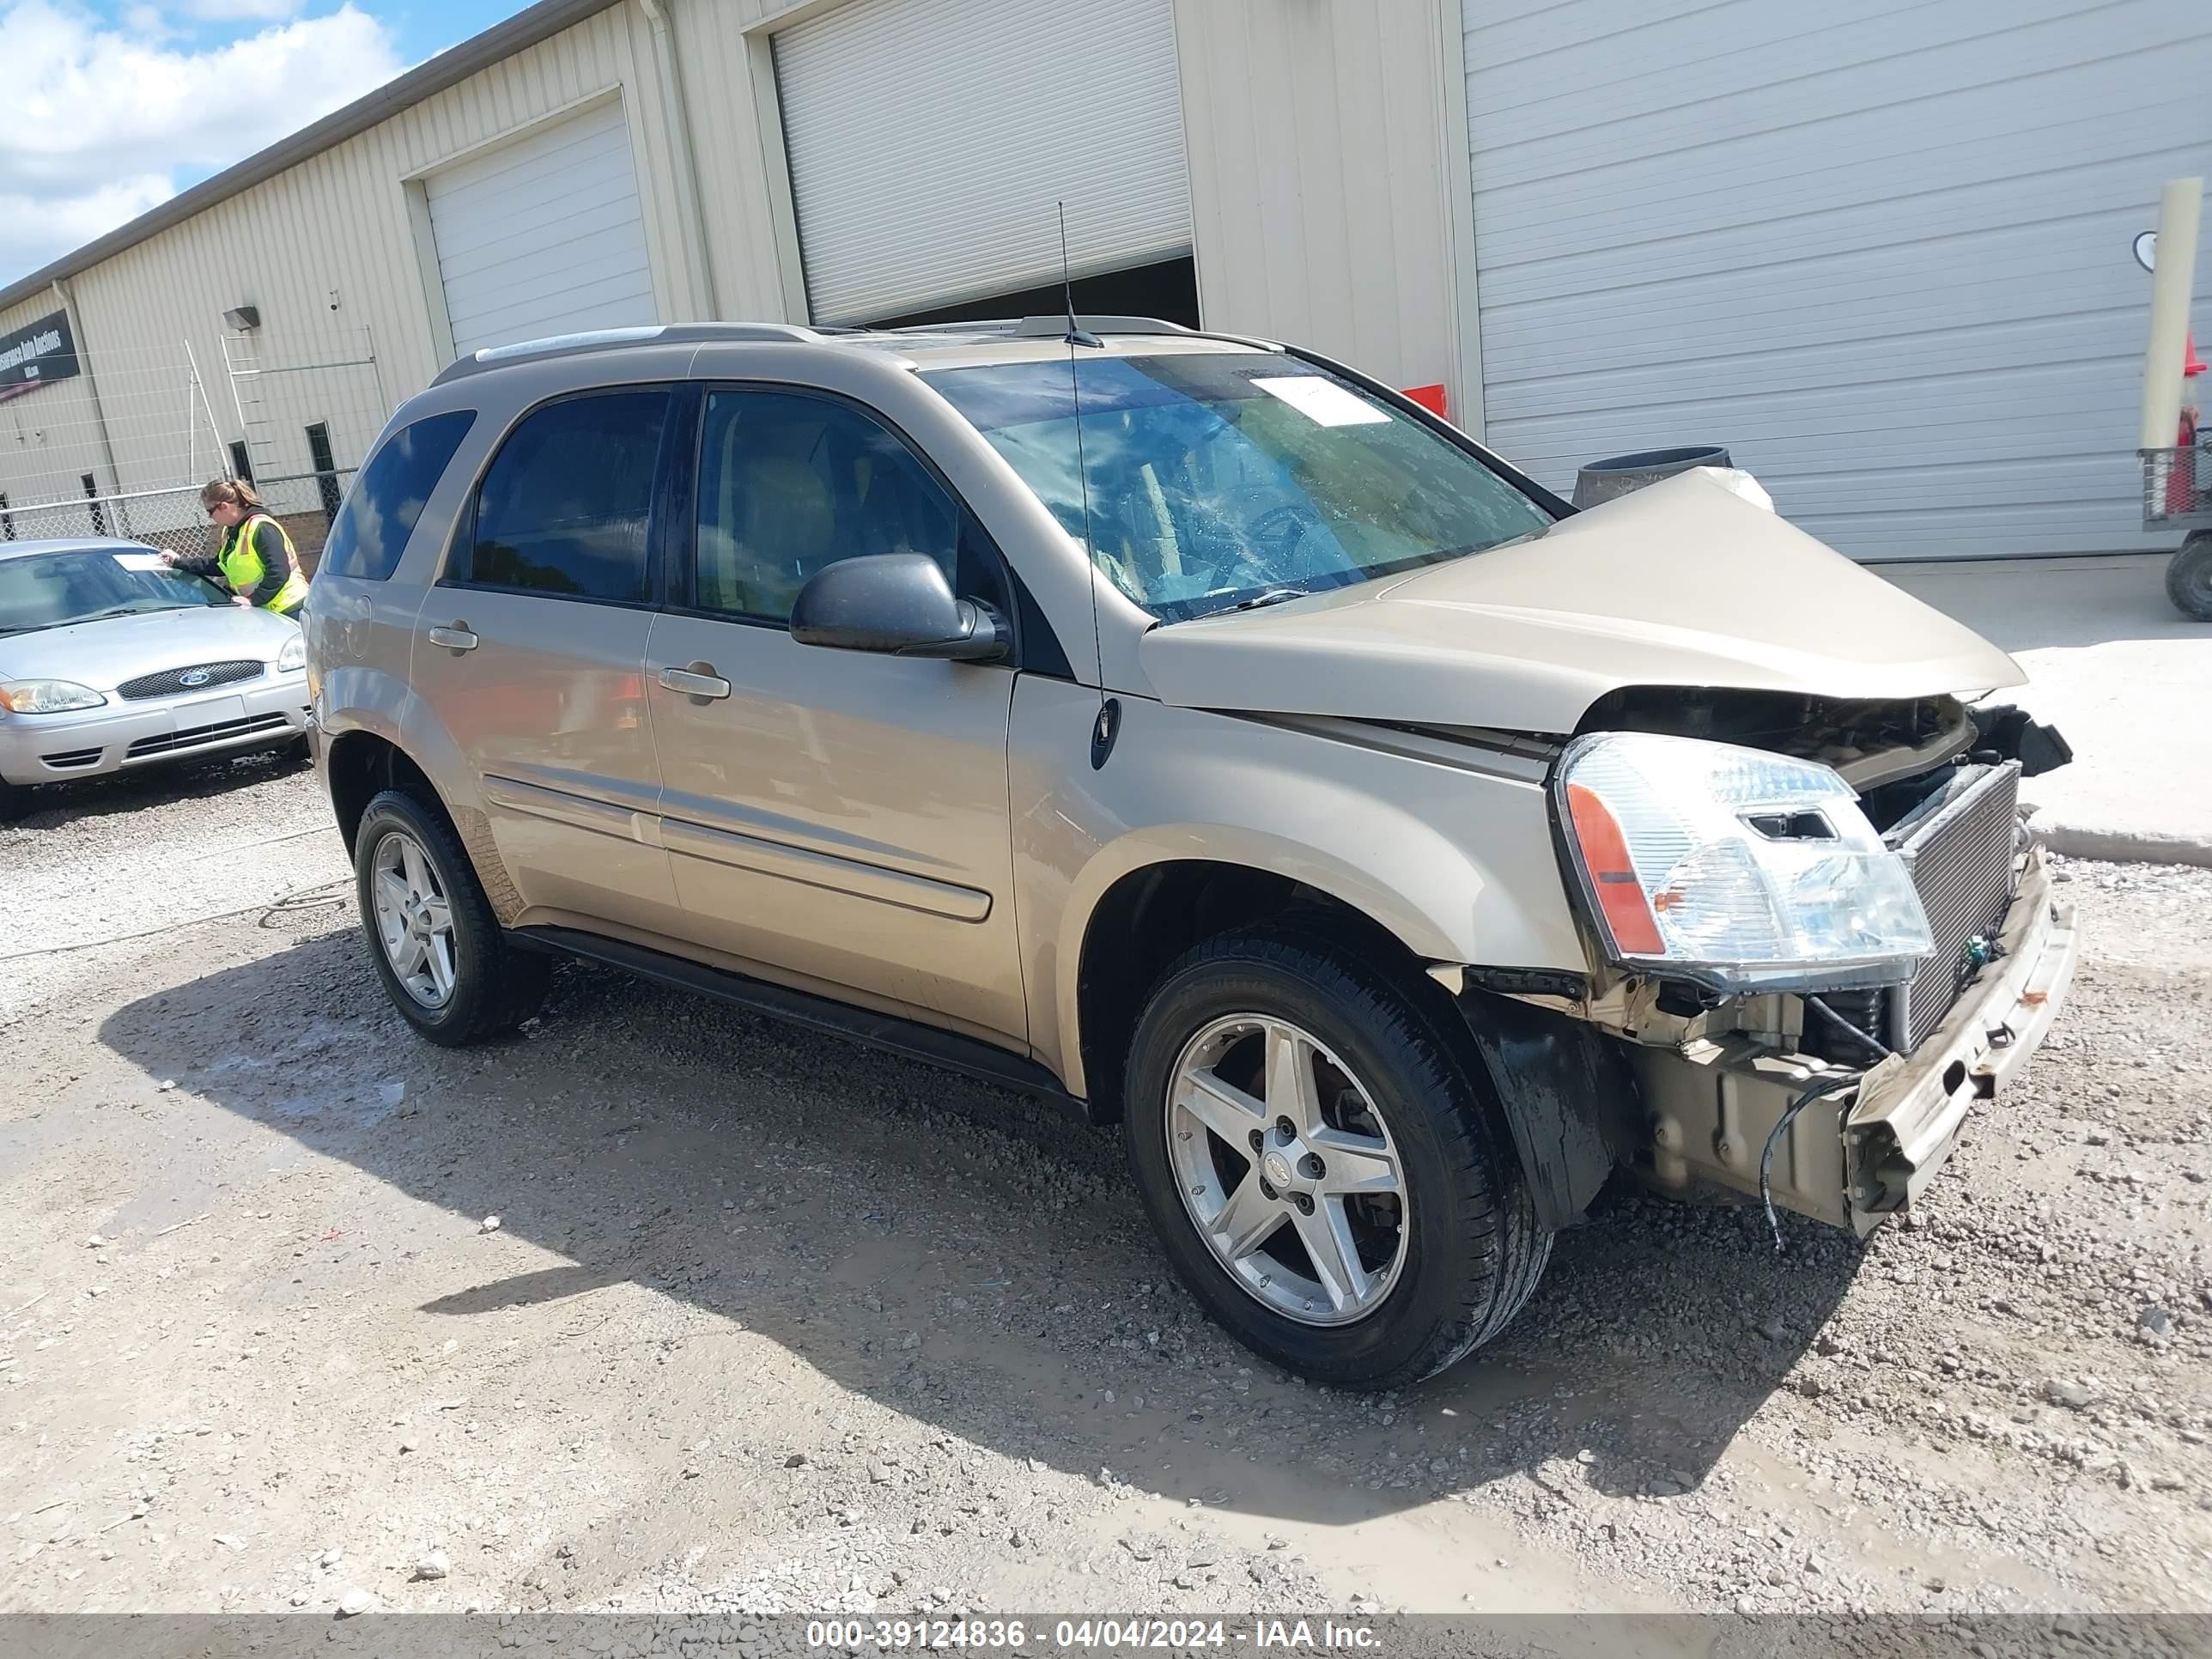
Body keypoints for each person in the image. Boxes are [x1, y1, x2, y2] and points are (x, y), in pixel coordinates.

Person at [163, 478, 309, 616]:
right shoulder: (231, 531)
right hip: (265, 609)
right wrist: (179, 562)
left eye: (210, 512)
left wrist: (252, 599)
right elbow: (220, 565)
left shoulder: (262, 528)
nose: (210, 518)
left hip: (290, 607)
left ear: (224, 507)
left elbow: (279, 572)